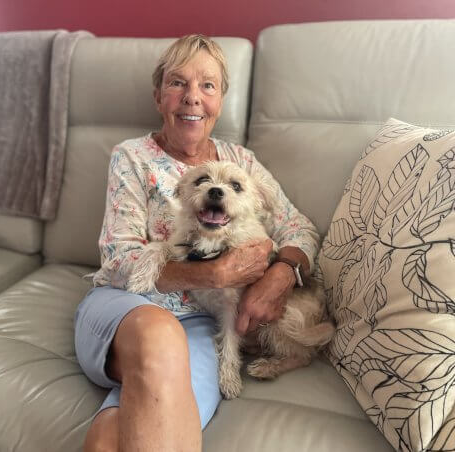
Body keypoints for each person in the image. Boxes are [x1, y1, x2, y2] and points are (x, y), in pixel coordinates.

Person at [74, 34, 319, 452]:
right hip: (128, 307)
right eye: (177, 83)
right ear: (158, 96)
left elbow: (299, 228)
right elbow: (118, 260)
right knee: (159, 336)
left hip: (207, 327)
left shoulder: (240, 162)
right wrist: (214, 272)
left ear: (220, 99)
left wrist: (280, 274)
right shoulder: (132, 156)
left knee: (116, 436)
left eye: (207, 85)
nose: (192, 97)